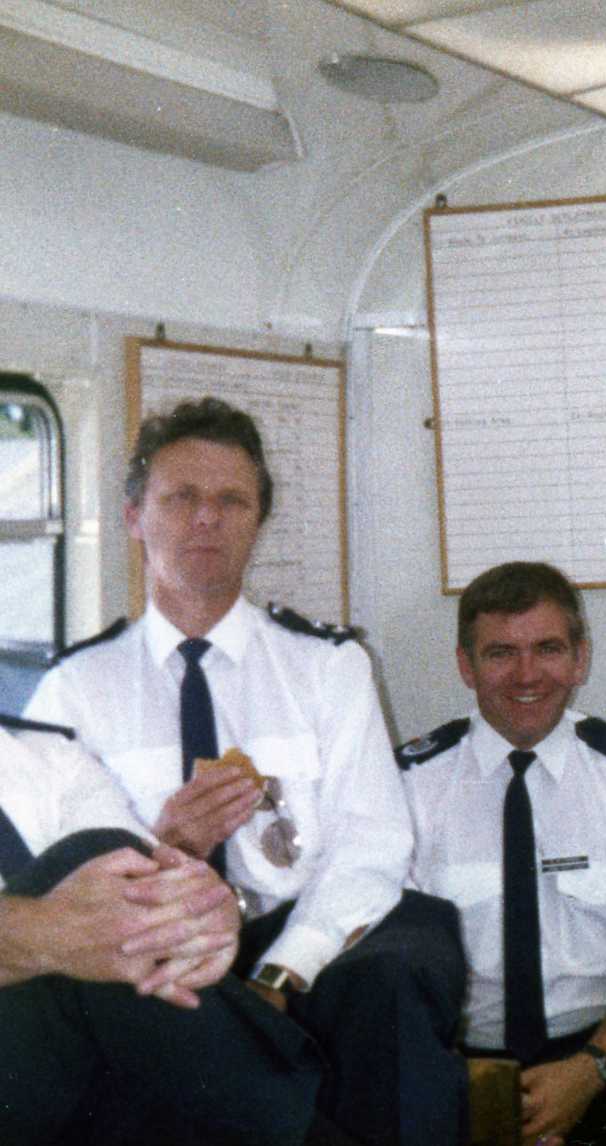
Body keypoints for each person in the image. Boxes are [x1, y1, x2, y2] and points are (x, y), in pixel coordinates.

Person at [26, 397, 466, 1146]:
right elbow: (52, 880)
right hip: (158, 946)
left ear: (258, 521)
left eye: (232, 500)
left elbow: (372, 843)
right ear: (134, 517)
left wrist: (282, 973)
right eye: (181, 497)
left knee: (406, 959)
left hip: (305, 936)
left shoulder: (327, 667)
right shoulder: (74, 689)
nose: (208, 518)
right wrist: (169, 847)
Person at [397, 561, 606, 1146]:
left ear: (580, 659)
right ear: (466, 666)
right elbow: (392, 975)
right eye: (501, 653)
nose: (527, 674)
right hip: (457, 1056)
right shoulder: (411, 785)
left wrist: (589, 1072)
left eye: (548, 649)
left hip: (598, 1044)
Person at [0, 713, 324, 1145]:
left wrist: (202, 907)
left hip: (82, 1077)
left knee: (109, 862)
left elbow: (138, 870)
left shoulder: (50, 757)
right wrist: (44, 931)